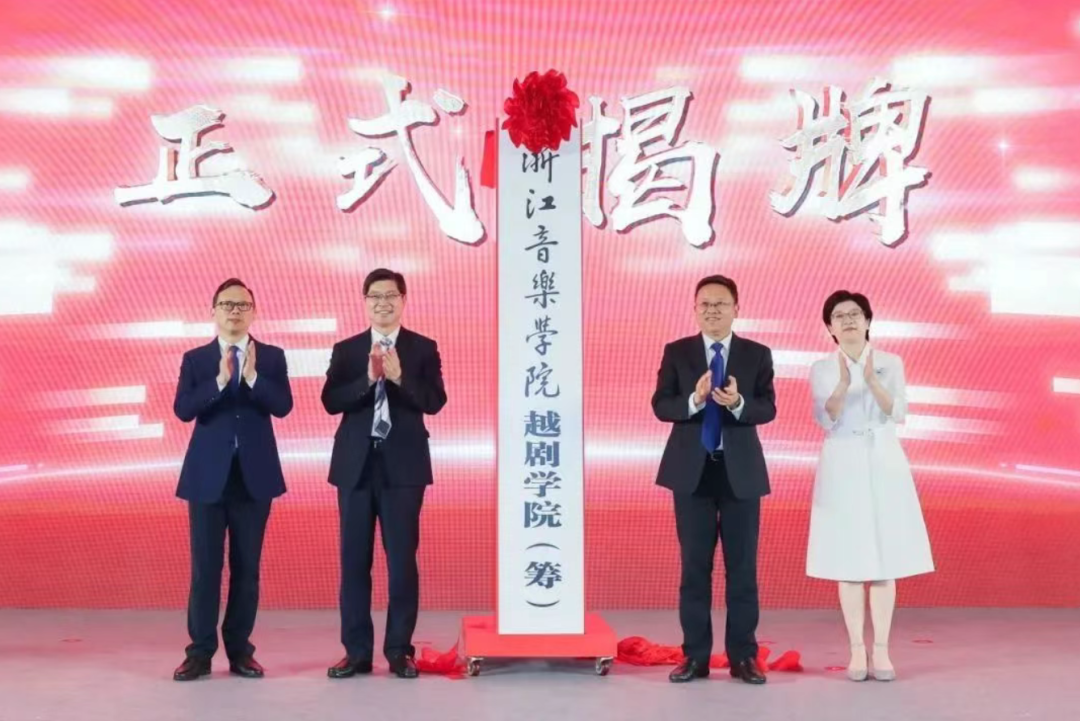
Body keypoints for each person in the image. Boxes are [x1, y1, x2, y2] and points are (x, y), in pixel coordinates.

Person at [652, 275, 777, 684]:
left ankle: (743, 657)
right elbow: (661, 405)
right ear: (695, 309)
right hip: (692, 473)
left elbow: (767, 408)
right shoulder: (678, 351)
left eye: (720, 304)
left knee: (742, 569)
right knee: (694, 568)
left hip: (740, 472)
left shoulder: (756, 354)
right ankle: (695, 657)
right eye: (704, 304)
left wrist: (737, 403)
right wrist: (696, 399)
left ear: (736, 309)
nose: (712, 310)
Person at [324, 268, 447, 680]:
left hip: (404, 469)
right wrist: (368, 378)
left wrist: (399, 377)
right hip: (355, 467)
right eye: (375, 296)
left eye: (390, 295)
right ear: (365, 302)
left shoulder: (423, 348)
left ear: (403, 300)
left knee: (402, 562)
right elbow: (330, 401)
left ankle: (399, 650)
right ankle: (356, 652)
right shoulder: (347, 350)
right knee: (353, 561)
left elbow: (435, 401)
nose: (383, 303)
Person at [807, 290, 934, 682]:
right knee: (848, 558)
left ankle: (881, 649)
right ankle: (856, 650)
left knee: (883, 557)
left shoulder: (890, 362)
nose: (848, 320)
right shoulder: (821, 368)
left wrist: (870, 381)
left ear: (867, 321)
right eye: (839, 315)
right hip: (842, 460)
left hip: (883, 459)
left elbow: (897, 411)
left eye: (855, 314)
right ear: (829, 327)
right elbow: (824, 417)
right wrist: (844, 384)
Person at [171, 278, 293, 681]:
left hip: (253, 478)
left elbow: (283, 406)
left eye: (242, 305)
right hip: (207, 478)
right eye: (227, 304)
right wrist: (221, 380)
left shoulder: (272, 357)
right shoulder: (196, 359)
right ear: (213, 311)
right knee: (205, 569)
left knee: (247, 568)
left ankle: (241, 651)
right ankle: (200, 653)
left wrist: (253, 377)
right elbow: (184, 410)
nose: (234, 311)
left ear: (253, 312)